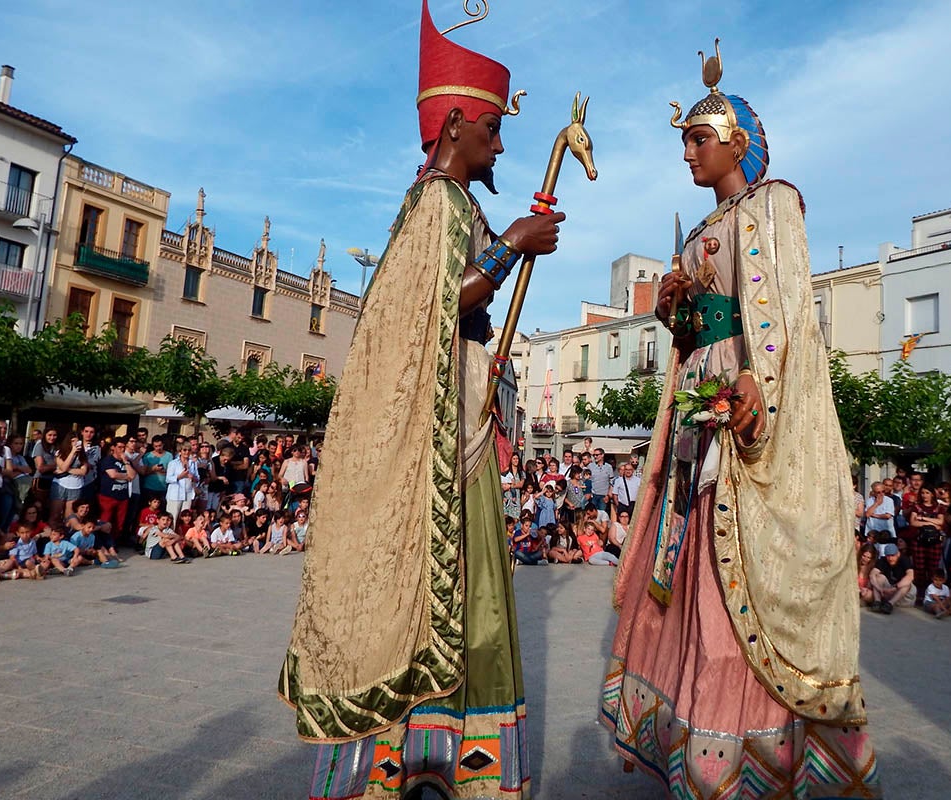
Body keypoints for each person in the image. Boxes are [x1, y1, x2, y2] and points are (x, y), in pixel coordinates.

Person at [280, 5, 565, 796]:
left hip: (462, 413)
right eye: (492, 129)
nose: (500, 143)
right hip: (441, 435)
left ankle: (443, 760)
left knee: (473, 582)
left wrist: (504, 251)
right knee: (458, 586)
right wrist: (513, 246)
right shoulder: (438, 204)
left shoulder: (453, 205)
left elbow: (451, 313)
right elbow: (439, 310)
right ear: (454, 128)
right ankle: (429, 765)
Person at [602, 43, 878, 799]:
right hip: (698, 404)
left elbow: (779, 307)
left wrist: (758, 381)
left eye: (699, 138)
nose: (688, 153)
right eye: (684, 141)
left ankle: (758, 751)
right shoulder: (698, 231)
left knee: (740, 584)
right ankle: (700, 742)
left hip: (742, 399)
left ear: (737, 141)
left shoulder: (772, 203)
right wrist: (673, 314)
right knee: (692, 576)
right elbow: (699, 327)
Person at [868, 543, 915, 613]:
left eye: (893, 555)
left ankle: (890, 604)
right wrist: (878, 588)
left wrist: (895, 588)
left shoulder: (905, 559)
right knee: (878, 577)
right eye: (888, 556)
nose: (890, 558)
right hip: (887, 592)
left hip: (903, 595)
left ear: (898, 554)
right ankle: (877, 602)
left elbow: (910, 576)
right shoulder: (882, 560)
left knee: (907, 583)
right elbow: (872, 574)